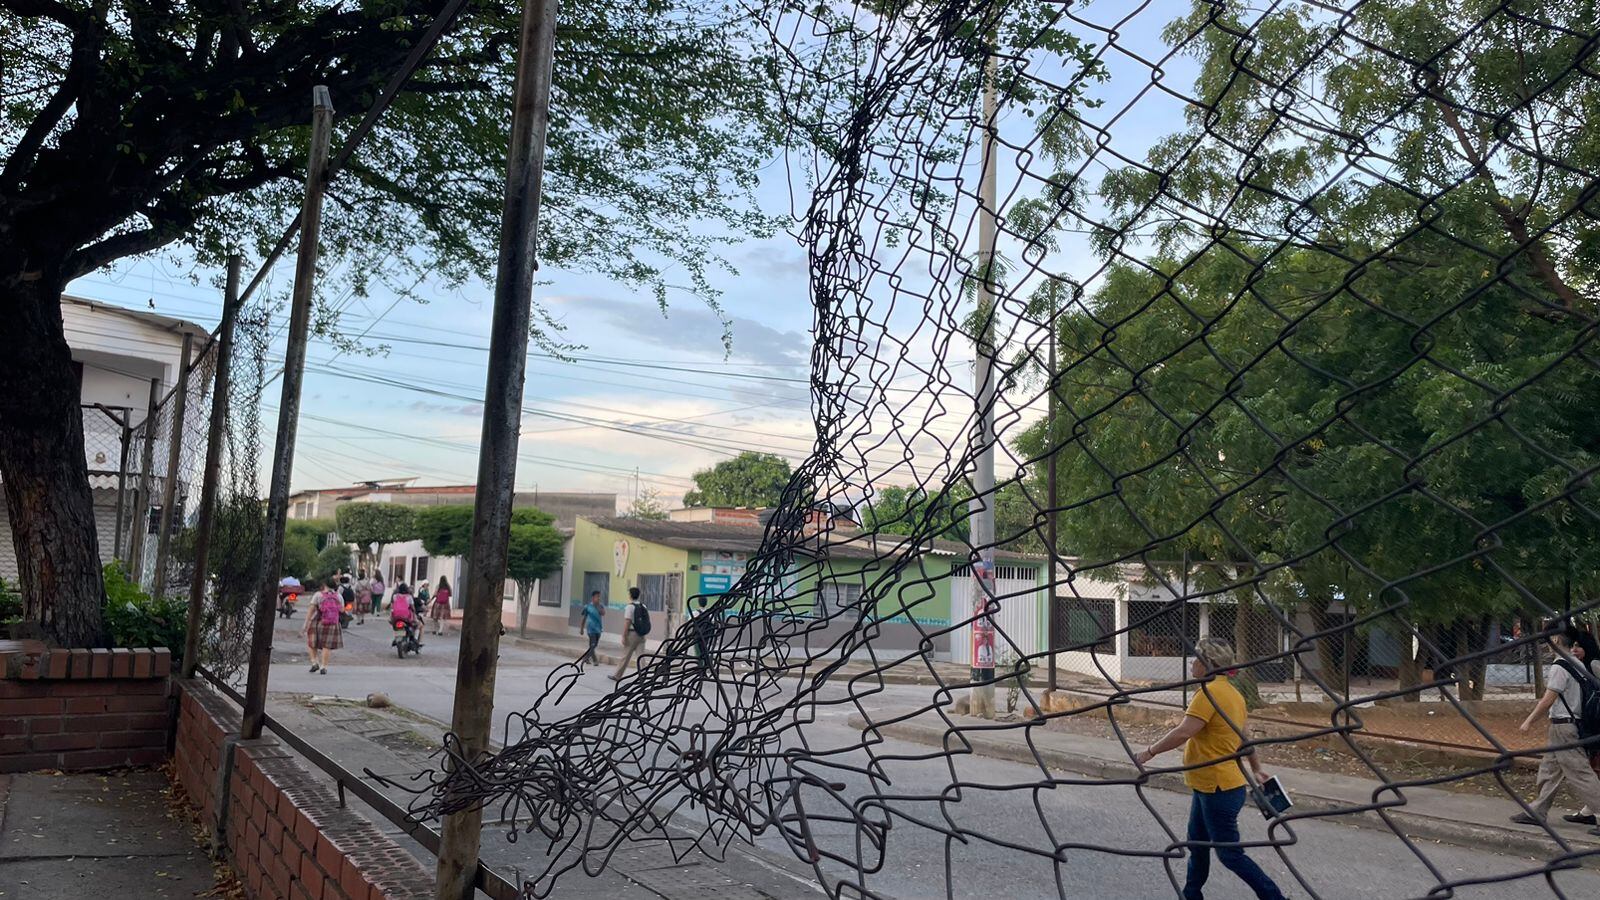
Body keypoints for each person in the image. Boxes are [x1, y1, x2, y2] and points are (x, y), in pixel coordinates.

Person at [1134, 638, 1285, 900]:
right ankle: (1192, 894)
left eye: (1196, 658)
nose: (1191, 663)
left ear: (1208, 663)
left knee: (1229, 854)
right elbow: (1245, 738)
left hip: (1218, 786)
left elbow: (1184, 732)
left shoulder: (1208, 694)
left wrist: (1149, 752)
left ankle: (1274, 897)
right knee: (1197, 843)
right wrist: (1257, 768)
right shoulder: (1233, 694)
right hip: (1213, 784)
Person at [1510, 625, 1600, 835]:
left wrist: (1529, 721)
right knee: (1549, 770)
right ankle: (1537, 811)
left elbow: (1549, 698)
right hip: (1569, 724)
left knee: (1580, 773)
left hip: (1564, 726)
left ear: (1557, 639)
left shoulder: (1560, 666)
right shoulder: (1577, 663)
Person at [609, 587, 647, 682]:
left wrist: (624, 636)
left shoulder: (630, 607)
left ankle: (617, 675)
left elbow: (627, 622)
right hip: (641, 634)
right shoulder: (643, 606)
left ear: (630, 595)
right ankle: (643, 676)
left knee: (625, 656)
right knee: (641, 657)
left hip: (632, 634)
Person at [307, 578, 344, 674]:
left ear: (324, 585)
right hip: (333, 623)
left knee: (312, 642)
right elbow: (342, 610)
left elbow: (311, 609)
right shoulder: (338, 596)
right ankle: (324, 667)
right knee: (326, 646)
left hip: (318, 622)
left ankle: (314, 662)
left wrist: (307, 621)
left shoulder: (318, 595)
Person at [691, 595, 717, 672]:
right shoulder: (710, 613)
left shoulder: (695, 613)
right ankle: (705, 667)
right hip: (706, 636)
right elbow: (713, 623)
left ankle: (700, 667)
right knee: (705, 651)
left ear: (699, 602)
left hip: (697, 636)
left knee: (698, 652)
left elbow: (690, 623)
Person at [579, 590, 605, 665]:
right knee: (592, 645)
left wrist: (599, 608)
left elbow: (603, 613)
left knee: (594, 645)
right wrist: (581, 628)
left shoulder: (600, 606)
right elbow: (584, 618)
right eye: (597, 597)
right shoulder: (588, 607)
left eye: (599, 597)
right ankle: (595, 660)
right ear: (593, 598)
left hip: (598, 629)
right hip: (591, 629)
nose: (599, 598)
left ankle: (586, 657)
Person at [390, 582, 419, 647]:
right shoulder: (409, 597)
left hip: (396, 616)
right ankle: (414, 638)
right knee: (416, 624)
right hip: (406, 616)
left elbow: (392, 605)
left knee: (394, 625)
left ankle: (396, 637)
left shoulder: (395, 596)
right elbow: (412, 608)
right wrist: (415, 613)